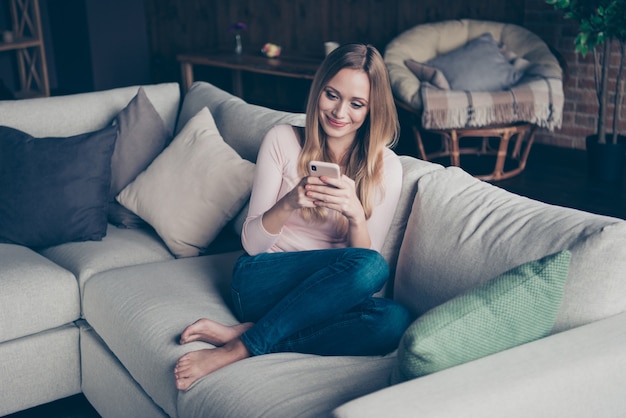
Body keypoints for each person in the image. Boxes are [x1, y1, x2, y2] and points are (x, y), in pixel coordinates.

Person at [174, 43, 412, 391]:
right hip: (260, 280)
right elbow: (252, 245)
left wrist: (356, 217)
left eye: (356, 103)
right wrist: (289, 202)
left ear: (372, 109)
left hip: (323, 299)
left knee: (393, 319)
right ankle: (242, 348)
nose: (340, 112)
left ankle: (250, 336)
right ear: (319, 90)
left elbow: (366, 276)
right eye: (332, 95)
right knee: (372, 267)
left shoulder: (385, 167)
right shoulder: (282, 139)